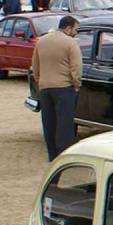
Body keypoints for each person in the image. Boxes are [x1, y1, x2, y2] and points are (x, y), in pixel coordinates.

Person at [31, 15, 82, 159]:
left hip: (45, 86)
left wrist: (40, 80)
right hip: (64, 86)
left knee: (49, 123)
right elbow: (76, 67)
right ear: (68, 27)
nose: (75, 32)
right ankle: (64, 155)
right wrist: (76, 83)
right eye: (75, 29)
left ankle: (52, 154)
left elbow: (35, 65)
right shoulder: (70, 43)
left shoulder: (42, 41)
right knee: (65, 124)